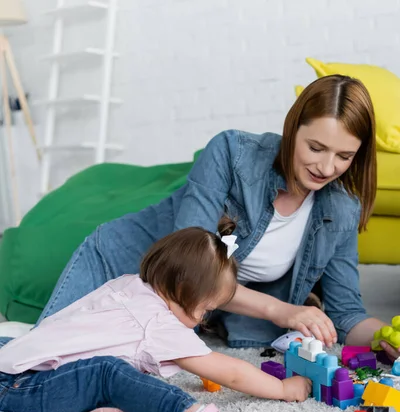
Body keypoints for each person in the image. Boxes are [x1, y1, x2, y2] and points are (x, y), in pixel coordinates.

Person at [36, 74, 396, 359]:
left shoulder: (341, 209)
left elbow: (347, 313)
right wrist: (282, 310)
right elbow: (190, 269)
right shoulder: (232, 153)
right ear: (293, 128)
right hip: (124, 265)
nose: (326, 167)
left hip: (181, 309)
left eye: (344, 156)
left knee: (112, 370)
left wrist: (386, 336)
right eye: (315, 147)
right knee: (43, 357)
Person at [0, 226, 312, 412]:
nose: (205, 319)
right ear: (180, 289)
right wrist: (284, 389)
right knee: (107, 373)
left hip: (17, 379)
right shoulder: (156, 323)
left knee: (96, 374)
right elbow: (230, 372)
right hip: (13, 399)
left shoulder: (127, 285)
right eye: (205, 309)